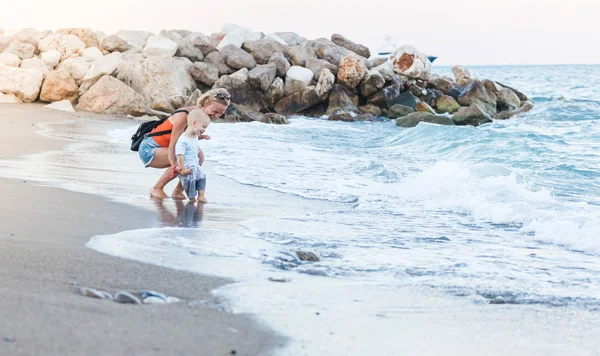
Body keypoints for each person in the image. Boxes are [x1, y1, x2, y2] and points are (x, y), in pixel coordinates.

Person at [137, 89, 231, 199]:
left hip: (164, 148)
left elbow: (188, 138)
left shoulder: (202, 117)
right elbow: (174, 143)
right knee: (186, 157)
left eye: (221, 114)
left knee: (199, 157)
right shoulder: (185, 115)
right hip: (149, 149)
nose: (217, 116)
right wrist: (174, 166)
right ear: (206, 104)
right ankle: (157, 188)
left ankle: (178, 191)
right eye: (215, 111)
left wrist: (200, 138)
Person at [175, 109, 210, 203]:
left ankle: (201, 196)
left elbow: (194, 141)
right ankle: (191, 198)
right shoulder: (182, 140)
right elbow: (180, 156)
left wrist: (203, 136)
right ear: (194, 123)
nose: (204, 129)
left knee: (202, 177)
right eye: (203, 126)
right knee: (190, 182)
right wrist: (182, 169)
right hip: (187, 166)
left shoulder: (193, 136)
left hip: (195, 165)